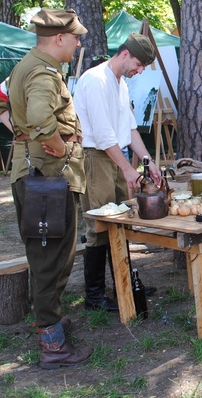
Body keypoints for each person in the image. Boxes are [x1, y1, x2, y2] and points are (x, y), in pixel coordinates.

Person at [0, 7, 92, 369]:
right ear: (59, 38)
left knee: (49, 255)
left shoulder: (27, 65)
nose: (78, 44)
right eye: (75, 38)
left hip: (38, 175)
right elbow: (39, 117)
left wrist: (21, 135)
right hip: (48, 178)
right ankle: (53, 345)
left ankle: (51, 320)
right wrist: (56, 145)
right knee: (51, 259)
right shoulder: (43, 72)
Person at [72, 32, 162, 312]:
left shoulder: (121, 84)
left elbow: (129, 129)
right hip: (94, 157)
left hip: (114, 155)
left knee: (121, 221)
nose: (139, 71)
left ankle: (124, 283)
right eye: (138, 64)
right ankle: (94, 297)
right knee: (100, 224)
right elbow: (101, 133)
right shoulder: (95, 80)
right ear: (125, 54)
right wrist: (126, 168)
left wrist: (148, 161)